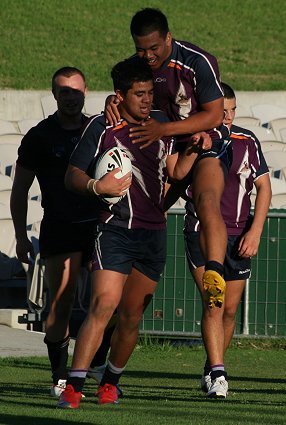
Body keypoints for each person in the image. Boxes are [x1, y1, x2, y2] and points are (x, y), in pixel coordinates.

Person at [58, 57, 202, 409]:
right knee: (103, 303)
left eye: (150, 93)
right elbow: (71, 176)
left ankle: (110, 382)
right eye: (139, 94)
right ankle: (74, 386)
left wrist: (195, 151)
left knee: (133, 315)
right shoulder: (101, 127)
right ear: (119, 96)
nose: (147, 100)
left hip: (153, 234)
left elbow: (175, 169)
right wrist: (97, 186)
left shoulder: (162, 125)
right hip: (114, 229)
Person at [105, 7, 232, 310]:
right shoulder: (135, 67)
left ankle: (214, 270)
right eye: (140, 49)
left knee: (206, 199)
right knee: (149, 212)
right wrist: (113, 101)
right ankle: (117, 305)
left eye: (153, 48)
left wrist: (165, 129)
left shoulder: (196, 61)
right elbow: (124, 95)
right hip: (164, 148)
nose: (147, 56)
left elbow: (214, 114)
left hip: (203, 141)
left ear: (168, 38)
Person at [10, 66, 119, 398]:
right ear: (54, 94)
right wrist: (19, 235)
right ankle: (60, 377)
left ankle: (95, 366)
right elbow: (19, 190)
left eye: (75, 90)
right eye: (63, 91)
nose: (70, 96)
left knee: (107, 303)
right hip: (60, 226)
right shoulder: (40, 136)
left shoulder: (98, 129)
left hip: (100, 226)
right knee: (60, 302)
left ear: (86, 91)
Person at [184, 82, 272, 398]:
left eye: (232, 109)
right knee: (214, 301)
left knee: (230, 309)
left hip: (239, 234)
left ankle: (211, 367)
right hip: (203, 233)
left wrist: (256, 230)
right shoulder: (198, 141)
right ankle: (220, 374)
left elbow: (264, 188)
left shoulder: (248, 140)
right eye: (222, 110)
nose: (228, 116)